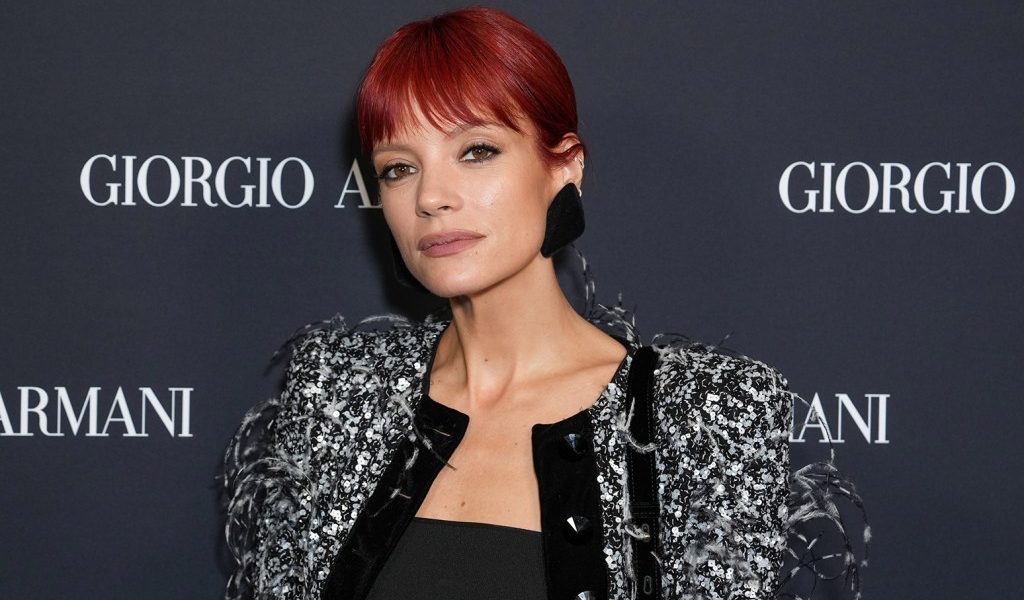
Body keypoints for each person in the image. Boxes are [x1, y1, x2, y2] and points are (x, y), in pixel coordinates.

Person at [223, 6, 867, 600]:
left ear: (565, 166)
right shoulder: (339, 394)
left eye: (476, 151)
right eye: (399, 168)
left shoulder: (701, 415)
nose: (431, 196)